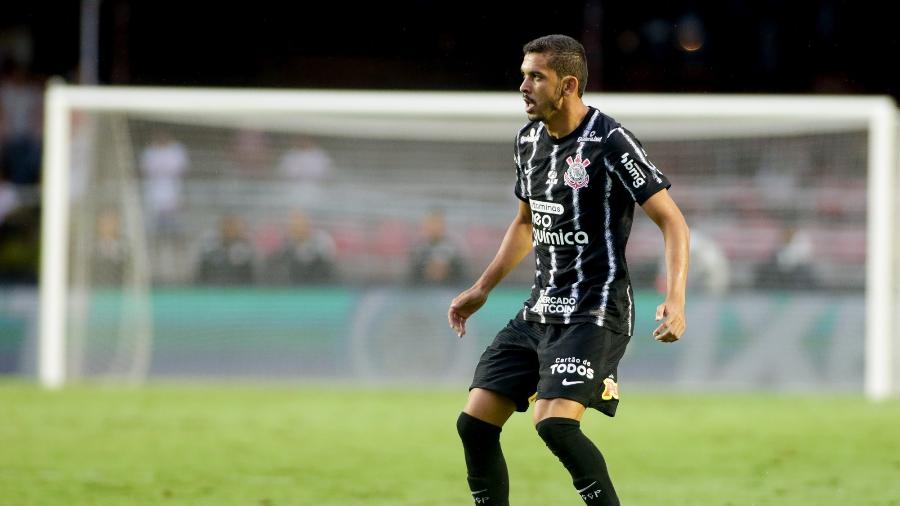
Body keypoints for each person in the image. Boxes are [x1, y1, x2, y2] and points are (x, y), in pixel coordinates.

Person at [448, 35, 690, 506]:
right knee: (473, 425)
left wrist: (676, 299)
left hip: (595, 310)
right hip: (540, 308)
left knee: (554, 423)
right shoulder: (528, 141)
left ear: (569, 84)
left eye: (536, 76)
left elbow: (674, 222)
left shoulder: (610, 141)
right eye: (523, 75)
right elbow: (525, 223)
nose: (524, 85)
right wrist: (481, 289)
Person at [264, 211, 336, 285]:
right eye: (295, 226)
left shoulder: (319, 246)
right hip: (292, 286)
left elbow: (327, 269)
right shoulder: (285, 248)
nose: (298, 229)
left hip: (315, 286)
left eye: (301, 225)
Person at [194, 213, 256, 286]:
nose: (229, 230)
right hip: (212, 291)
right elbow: (202, 274)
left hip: (238, 291)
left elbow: (250, 277)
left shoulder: (245, 251)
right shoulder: (210, 251)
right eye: (226, 226)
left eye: (233, 227)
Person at [408, 210, 467, 286]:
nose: (434, 228)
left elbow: (461, 274)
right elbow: (411, 276)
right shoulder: (418, 250)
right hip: (423, 290)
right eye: (431, 224)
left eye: (437, 224)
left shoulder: (453, 249)